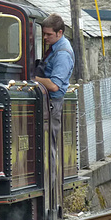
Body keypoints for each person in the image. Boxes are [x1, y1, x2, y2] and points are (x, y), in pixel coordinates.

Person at [34, 13, 75, 175]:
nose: (45, 37)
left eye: (49, 34)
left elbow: (54, 86)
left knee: (49, 145)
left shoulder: (63, 54)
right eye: (44, 34)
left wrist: (33, 78)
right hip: (47, 102)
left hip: (52, 104)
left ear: (60, 33)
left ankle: (50, 183)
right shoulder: (55, 48)